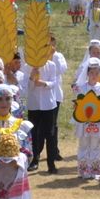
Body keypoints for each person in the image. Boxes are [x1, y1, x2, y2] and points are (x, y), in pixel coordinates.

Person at [23, 42, 65, 175]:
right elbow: (26, 87)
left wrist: (44, 83)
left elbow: (54, 82)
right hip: (34, 105)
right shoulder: (27, 66)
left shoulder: (51, 65)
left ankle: (51, 163)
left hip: (49, 104)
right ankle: (34, 159)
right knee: (34, 133)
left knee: (50, 134)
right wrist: (31, 77)